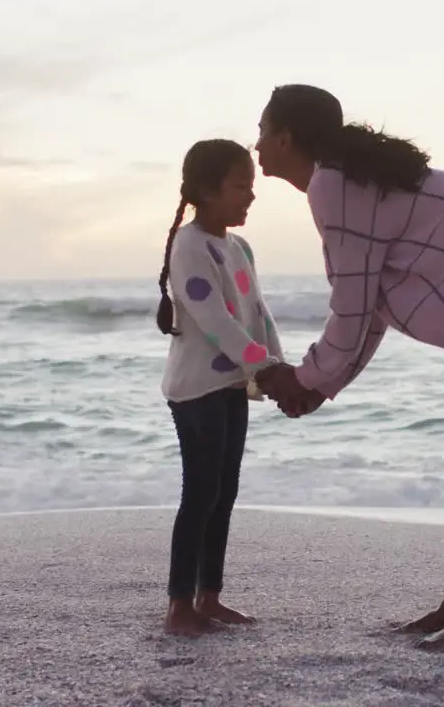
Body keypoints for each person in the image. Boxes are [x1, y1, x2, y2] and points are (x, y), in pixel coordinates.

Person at [251, 85, 444, 650]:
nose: (257, 144)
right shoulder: (339, 180)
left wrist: (306, 379)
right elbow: (366, 310)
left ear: (287, 136)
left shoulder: (331, 184)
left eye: (264, 131)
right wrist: (321, 384)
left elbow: (349, 310)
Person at [156, 138, 284, 636]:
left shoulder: (238, 247)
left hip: (231, 384)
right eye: (240, 187)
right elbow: (216, 322)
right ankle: (178, 605)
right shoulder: (188, 246)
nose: (250, 196)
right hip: (196, 391)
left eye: (251, 186)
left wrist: (278, 365)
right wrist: (268, 369)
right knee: (201, 492)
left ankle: (210, 597)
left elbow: (256, 314)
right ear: (208, 191)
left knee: (224, 492)